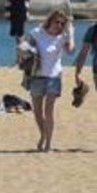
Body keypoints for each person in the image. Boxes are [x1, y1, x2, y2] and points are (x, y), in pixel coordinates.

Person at [23, 10, 75, 152]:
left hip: (54, 77)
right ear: (50, 20)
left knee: (49, 111)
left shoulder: (62, 37)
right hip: (36, 76)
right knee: (37, 111)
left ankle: (48, 144)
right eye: (56, 22)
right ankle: (43, 135)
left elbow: (71, 51)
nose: (58, 25)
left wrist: (70, 33)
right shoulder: (37, 32)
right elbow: (23, 47)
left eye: (62, 23)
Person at [73, 19, 96, 93]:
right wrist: (77, 73)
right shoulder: (93, 29)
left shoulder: (93, 29)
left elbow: (83, 52)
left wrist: (77, 73)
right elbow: (83, 52)